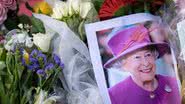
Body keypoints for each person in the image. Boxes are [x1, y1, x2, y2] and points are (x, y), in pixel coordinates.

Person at [104, 24, 181, 104]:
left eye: (148, 55)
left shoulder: (174, 83)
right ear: (123, 65)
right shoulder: (112, 96)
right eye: (137, 57)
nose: (146, 63)